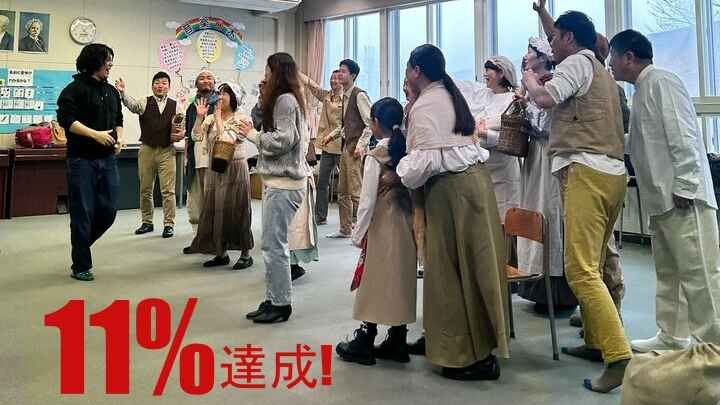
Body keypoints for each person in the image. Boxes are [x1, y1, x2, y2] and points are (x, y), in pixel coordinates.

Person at [523, 9, 632, 393]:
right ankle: (596, 341)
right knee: (597, 265)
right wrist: (543, 13)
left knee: (581, 270)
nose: (550, 46)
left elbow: (544, 97)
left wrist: (529, 77)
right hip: (611, 173)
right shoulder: (598, 68)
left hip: (586, 171)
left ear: (570, 38)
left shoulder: (576, 63)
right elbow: (558, 39)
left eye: (555, 39)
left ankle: (617, 356)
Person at [396, 44, 508, 381]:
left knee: (453, 275)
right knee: (464, 271)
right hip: (470, 187)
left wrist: (398, 169)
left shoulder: (427, 104)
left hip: (452, 191)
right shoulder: (447, 94)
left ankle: (469, 356)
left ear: (416, 71)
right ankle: (447, 341)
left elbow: (425, 162)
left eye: (407, 70)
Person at [609, 29, 720, 351]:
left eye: (612, 57)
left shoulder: (662, 82)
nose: (610, 64)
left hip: (684, 198)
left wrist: (686, 184)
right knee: (669, 272)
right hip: (661, 200)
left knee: (700, 275)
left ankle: (713, 346)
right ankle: (672, 335)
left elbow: (683, 134)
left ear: (629, 57)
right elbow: (641, 141)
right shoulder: (642, 90)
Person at [335, 97, 416, 366]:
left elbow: (367, 199)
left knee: (373, 281)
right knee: (400, 280)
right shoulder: (407, 151)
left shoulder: (375, 156)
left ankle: (366, 339)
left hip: (382, 225)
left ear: (376, 123)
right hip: (405, 223)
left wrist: (358, 234)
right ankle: (398, 338)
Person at [238, 52, 308, 324]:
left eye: (268, 70)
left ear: (276, 71)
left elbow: (284, 140)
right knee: (271, 244)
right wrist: (261, 101)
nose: (264, 75)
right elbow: (264, 122)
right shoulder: (282, 99)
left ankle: (281, 303)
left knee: (274, 246)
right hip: (278, 182)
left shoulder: (286, 100)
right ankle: (273, 298)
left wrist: (252, 136)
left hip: (284, 183)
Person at [514, 37, 579, 311]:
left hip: (549, 157)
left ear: (542, 57)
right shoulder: (531, 85)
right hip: (535, 157)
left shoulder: (551, 83)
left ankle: (556, 286)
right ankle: (533, 279)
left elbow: (545, 123)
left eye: (530, 51)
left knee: (549, 211)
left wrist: (526, 105)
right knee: (533, 208)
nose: (525, 56)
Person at [56, 43, 124, 281]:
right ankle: (81, 265)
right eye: (107, 59)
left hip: (108, 159)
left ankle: (81, 245)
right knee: (82, 213)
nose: (110, 64)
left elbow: (118, 119)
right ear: (94, 61)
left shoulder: (112, 91)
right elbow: (66, 120)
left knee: (109, 210)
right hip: (81, 160)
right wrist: (95, 135)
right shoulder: (74, 89)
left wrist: (120, 138)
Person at [185, 82, 254, 270]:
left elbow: (227, 139)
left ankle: (245, 254)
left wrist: (217, 119)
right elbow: (196, 136)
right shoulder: (210, 118)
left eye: (226, 93)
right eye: (220, 93)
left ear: (235, 97)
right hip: (216, 167)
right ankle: (221, 253)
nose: (221, 96)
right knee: (217, 209)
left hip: (235, 168)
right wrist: (200, 117)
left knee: (238, 209)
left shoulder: (242, 118)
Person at [302, 60, 372, 239]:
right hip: (345, 147)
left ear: (353, 75)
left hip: (354, 149)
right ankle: (345, 229)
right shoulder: (344, 96)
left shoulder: (359, 95)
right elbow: (344, 125)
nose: (339, 75)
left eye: (343, 72)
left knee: (356, 191)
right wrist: (331, 136)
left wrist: (361, 145)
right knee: (342, 192)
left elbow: (370, 124)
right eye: (338, 71)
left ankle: (365, 231)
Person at [116, 72, 183, 238]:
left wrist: (180, 134)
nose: (160, 85)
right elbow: (132, 106)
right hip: (146, 149)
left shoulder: (176, 106)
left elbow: (181, 128)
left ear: (169, 86)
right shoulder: (144, 101)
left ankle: (169, 224)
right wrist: (123, 93)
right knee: (145, 189)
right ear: (153, 86)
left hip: (167, 151)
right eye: (157, 82)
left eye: (164, 83)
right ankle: (147, 222)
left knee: (168, 191)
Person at [459, 57, 521, 228]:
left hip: (504, 168)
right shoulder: (484, 95)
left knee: (504, 217)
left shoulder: (512, 100)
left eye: (489, 70)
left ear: (501, 73)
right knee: (486, 219)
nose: (485, 74)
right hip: (484, 167)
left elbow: (511, 137)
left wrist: (483, 133)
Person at [300, 70, 344, 226]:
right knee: (322, 183)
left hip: (342, 147)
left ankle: (352, 218)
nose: (333, 81)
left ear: (343, 81)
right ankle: (320, 215)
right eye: (331, 78)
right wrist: (295, 72)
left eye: (337, 79)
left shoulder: (347, 100)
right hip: (327, 147)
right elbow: (313, 86)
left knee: (346, 185)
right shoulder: (326, 96)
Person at [184, 70, 217, 242]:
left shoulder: (221, 102)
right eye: (201, 78)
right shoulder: (192, 106)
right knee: (196, 200)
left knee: (214, 200)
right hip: (195, 159)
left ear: (214, 82)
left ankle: (214, 236)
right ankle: (197, 237)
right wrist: (186, 157)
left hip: (215, 160)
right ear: (196, 83)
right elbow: (189, 135)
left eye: (209, 78)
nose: (205, 80)